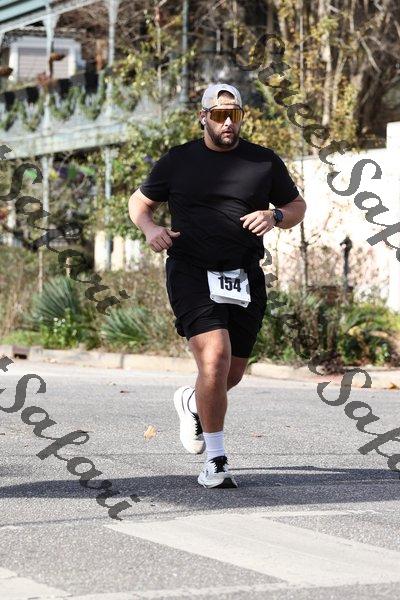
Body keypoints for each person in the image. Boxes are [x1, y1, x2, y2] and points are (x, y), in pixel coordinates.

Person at [128, 82, 306, 489]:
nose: (228, 122)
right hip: (191, 270)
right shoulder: (178, 160)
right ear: (203, 117)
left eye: (234, 115)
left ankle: (192, 401)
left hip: (243, 274)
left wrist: (275, 216)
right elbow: (139, 203)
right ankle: (216, 460)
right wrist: (150, 229)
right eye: (220, 115)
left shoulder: (263, 161)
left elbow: (297, 206)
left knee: (233, 372)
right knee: (215, 357)